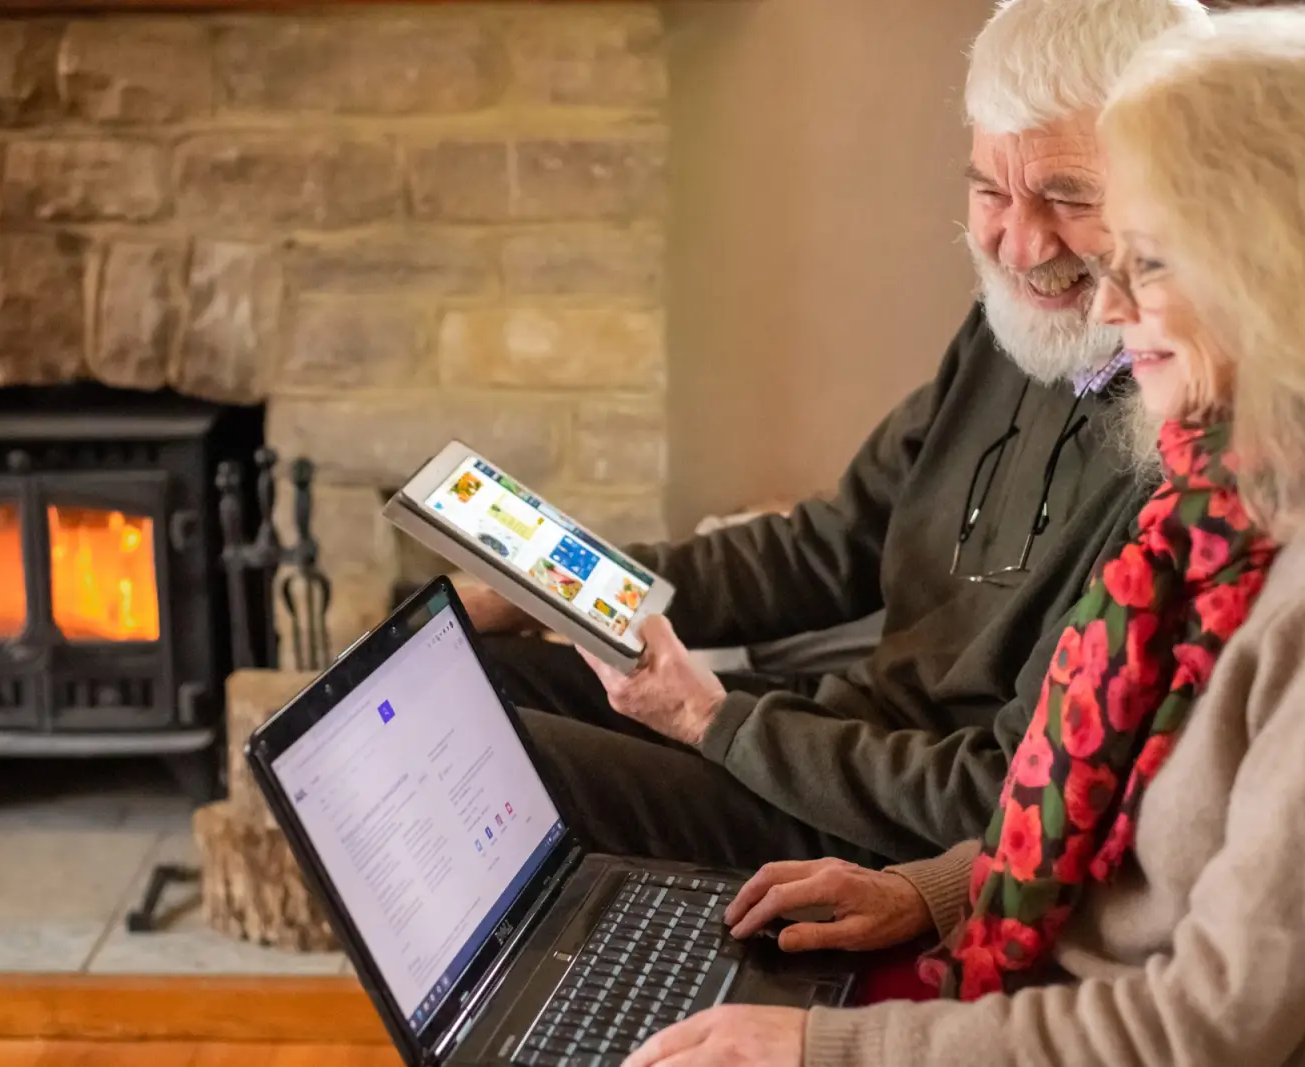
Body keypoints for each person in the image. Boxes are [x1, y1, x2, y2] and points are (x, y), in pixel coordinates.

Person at [623, 8, 1305, 1064]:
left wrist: (819, 1048)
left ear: (1281, 272)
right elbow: (1116, 838)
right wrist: (931, 890)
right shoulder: (1221, 512)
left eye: (1147, 260)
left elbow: (1195, 1027)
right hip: (1005, 943)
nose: (1107, 307)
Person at [462, 0, 1209, 871]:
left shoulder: (1178, 449)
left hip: (878, 827)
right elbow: (835, 544)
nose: (1017, 243)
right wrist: (561, 577)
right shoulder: (1017, 326)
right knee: (474, 677)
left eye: (1069, 196)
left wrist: (710, 718)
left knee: (496, 759)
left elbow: (996, 795)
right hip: (826, 737)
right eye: (988, 190)